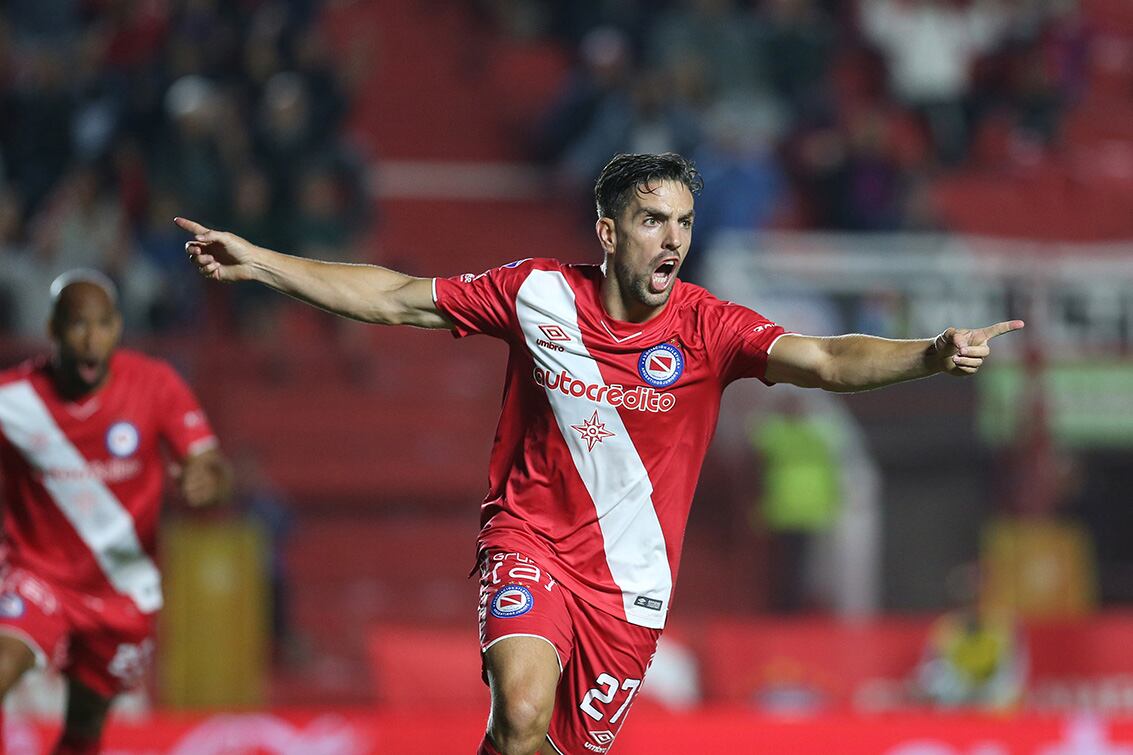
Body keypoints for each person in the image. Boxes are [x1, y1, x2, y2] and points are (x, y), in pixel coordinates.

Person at [177, 152, 1023, 755]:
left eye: (682, 223)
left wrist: (930, 353)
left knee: (529, 746)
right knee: (518, 710)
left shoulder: (708, 328)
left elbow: (828, 358)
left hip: (630, 589)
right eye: (651, 220)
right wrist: (263, 265)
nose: (671, 240)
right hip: (529, 543)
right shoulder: (538, 291)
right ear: (608, 229)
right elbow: (400, 298)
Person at [0, 270, 231, 754]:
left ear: (118, 326)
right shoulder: (14, 400)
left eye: (102, 325)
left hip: (123, 592)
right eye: (78, 326)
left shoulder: (155, 385)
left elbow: (209, 465)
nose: (91, 340)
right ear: (52, 328)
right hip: (38, 576)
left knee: (84, 731)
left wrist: (206, 482)